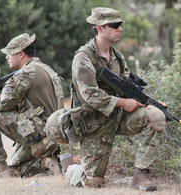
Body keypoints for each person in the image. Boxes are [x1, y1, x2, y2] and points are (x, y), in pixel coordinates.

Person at [59, 7, 166, 191]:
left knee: (155, 116)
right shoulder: (83, 57)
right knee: (94, 182)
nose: (120, 29)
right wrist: (122, 102)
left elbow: (127, 88)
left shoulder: (117, 56)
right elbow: (90, 95)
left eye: (120, 25)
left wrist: (151, 103)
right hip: (94, 123)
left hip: (118, 117)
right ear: (99, 28)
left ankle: (141, 175)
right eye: (115, 25)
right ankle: (69, 166)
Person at [0, 33, 64, 179]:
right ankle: (46, 162)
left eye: (10, 53)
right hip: (55, 133)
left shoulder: (25, 73)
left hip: (40, 135)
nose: (6, 57)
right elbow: (36, 103)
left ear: (21, 54)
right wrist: (1, 98)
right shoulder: (45, 68)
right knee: (18, 169)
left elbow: (3, 104)